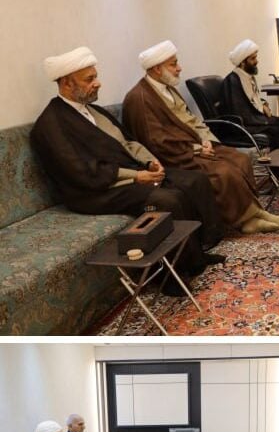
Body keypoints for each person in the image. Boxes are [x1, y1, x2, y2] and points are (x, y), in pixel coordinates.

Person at [30, 46, 226, 295]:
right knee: (167, 199)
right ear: (67, 83)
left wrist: (149, 162)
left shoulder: (93, 110)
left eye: (95, 76)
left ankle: (198, 252)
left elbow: (128, 142)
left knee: (194, 180)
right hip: (93, 192)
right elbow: (82, 173)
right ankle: (169, 278)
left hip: (125, 174)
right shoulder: (51, 125)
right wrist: (136, 177)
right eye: (89, 79)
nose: (98, 83)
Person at [122, 40, 279, 235]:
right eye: (173, 64)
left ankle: (255, 213)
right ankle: (245, 221)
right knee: (223, 171)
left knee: (240, 159)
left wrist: (206, 140)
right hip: (175, 156)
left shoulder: (167, 89)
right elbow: (156, 142)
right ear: (157, 69)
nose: (179, 68)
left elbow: (191, 120)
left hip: (194, 146)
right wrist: (196, 149)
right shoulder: (140, 98)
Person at [221, 38, 279, 185]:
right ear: (243, 62)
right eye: (253, 59)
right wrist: (264, 120)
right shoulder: (232, 81)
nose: (256, 61)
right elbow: (239, 111)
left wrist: (264, 105)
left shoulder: (247, 77)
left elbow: (254, 99)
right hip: (247, 125)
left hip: (257, 119)